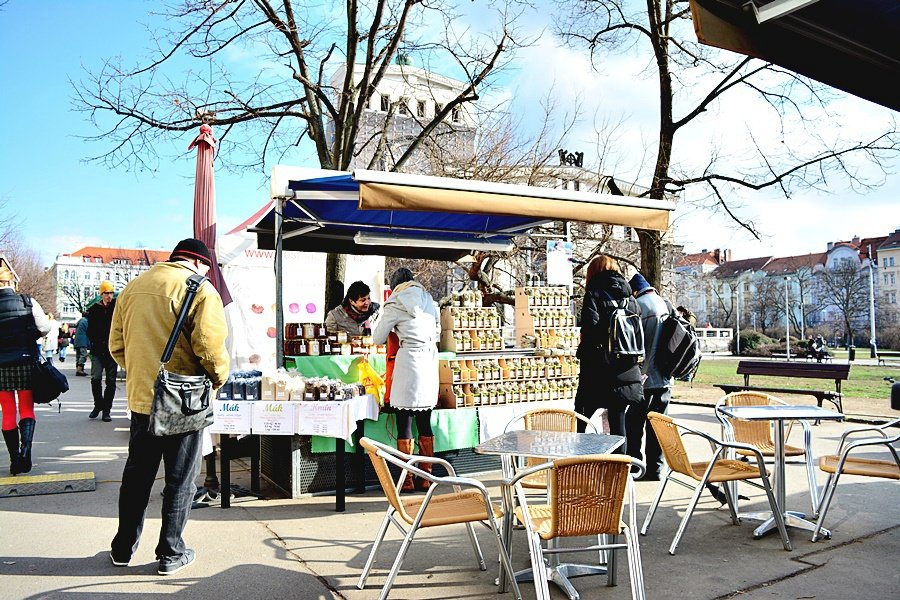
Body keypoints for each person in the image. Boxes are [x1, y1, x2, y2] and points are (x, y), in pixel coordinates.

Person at [108, 238, 230, 575]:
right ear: (198, 261)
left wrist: (142, 375)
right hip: (185, 401)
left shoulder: (133, 287)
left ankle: (122, 549)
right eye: (207, 266)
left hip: (142, 399)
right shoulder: (202, 290)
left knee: (137, 476)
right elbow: (210, 349)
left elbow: (116, 346)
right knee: (180, 480)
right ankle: (171, 553)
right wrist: (217, 379)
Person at [373, 267, 440, 492]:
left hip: (408, 361)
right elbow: (437, 331)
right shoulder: (429, 301)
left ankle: (407, 478)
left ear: (394, 286)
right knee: (424, 420)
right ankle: (427, 476)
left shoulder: (394, 304)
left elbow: (377, 337)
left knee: (405, 421)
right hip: (429, 361)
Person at [574, 255, 643, 442]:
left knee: (582, 420)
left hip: (597, 371)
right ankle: (620, 469)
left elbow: (590, 331)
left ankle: (580, 466)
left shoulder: (594, 294)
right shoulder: (630, 298)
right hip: (626, 368)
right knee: (618, 426)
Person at [0, 265, 51, 475]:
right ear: (12, 282)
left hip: (0, 365)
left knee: (8, 411)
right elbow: (45, 327)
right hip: (24, 361)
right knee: (27, 409)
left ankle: (14, 460)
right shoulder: (27, 301)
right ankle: (26, 451)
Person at [626, 273, 675, 481]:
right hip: (665, 379)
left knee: (634, 425)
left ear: (634, 291)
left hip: (644, 378)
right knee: (657, 425)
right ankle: (655, 469)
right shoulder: (666, 304)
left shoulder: (638, 306)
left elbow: (639, 345)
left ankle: (635, 467)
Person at [87, 281, 118, 421]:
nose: (109, 296)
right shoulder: (94, 309)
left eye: (111, 293)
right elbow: (90, 330)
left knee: (111, 381)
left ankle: (107, 410)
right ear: (101, 294)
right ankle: (98, 404)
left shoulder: (117, 308)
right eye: (106, 293)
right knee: (96, 378)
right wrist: (94, 341)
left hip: (112, 349)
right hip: (98, 349)